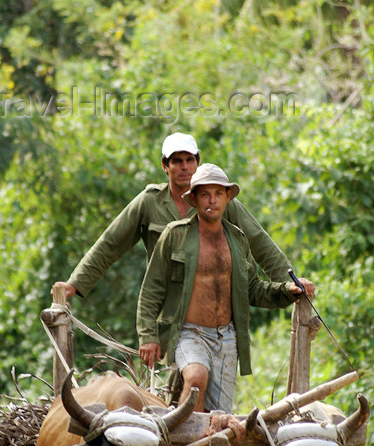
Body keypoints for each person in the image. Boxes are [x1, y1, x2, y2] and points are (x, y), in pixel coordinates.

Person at [51, 132, 315, 301]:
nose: (184, 167)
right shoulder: (149, 202)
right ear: (165, 166)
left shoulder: (216, 200)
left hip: (212, 302)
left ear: (198, 163)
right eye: (177, 161)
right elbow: (110, 244)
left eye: (189, 160)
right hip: (167, 305)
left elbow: (258, 240)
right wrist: (75, 283)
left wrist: (290, 281)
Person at [137, 164, 308, 414]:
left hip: (226, 338)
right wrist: (148, 336)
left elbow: (252, 288)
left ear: (228, 197)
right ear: (193, 198)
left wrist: (286, 290)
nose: (212, 200)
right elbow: (151, 288)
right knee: (196, 377)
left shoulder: (237, 239)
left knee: (219, 419)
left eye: (218, 193)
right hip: (189, 332)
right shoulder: (175, 235)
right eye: (205, 194)